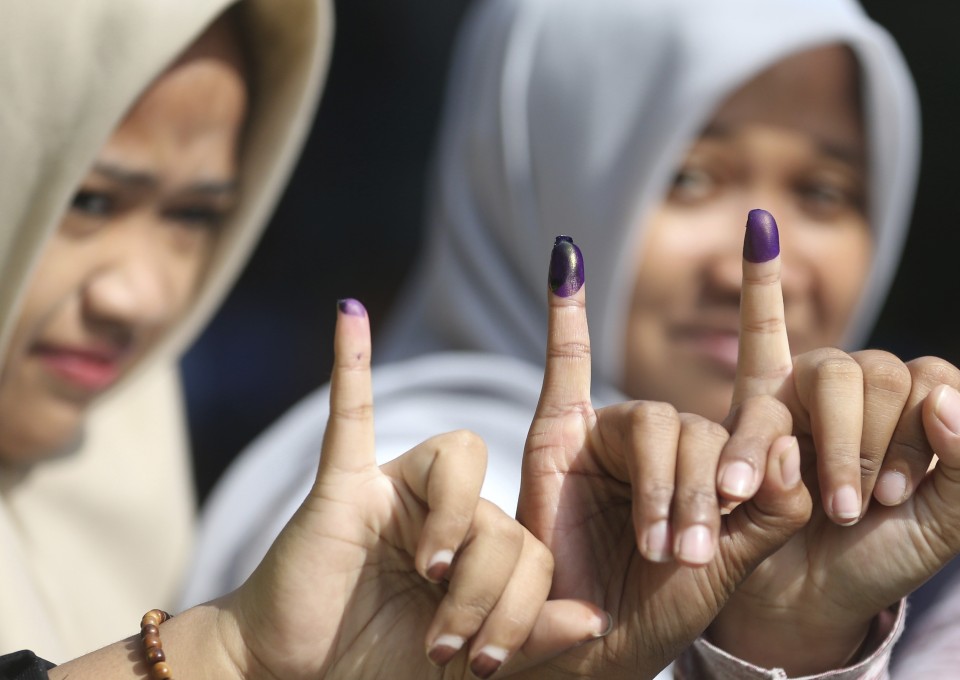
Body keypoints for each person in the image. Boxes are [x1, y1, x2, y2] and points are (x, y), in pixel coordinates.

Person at [183, 0, 960, 677]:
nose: (759, 270)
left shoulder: (785, 523)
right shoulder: (407, 514)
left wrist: (791, 636)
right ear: (538, 173)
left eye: (825, 192)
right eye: (688, 176)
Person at [0, 1, 624, 678]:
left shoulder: (130, 458)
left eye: (194, 215)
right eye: (87, 200)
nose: (139, 297)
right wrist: (226, 652)